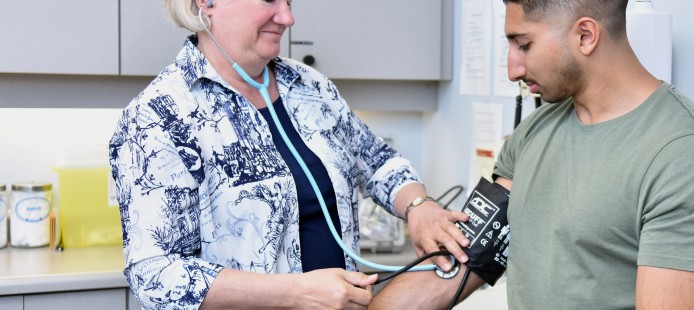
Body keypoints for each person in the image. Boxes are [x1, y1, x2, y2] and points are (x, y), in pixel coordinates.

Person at [371, 0, 694, 309]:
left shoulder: (689, 158)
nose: (512, 68)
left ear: (585, 35)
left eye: (524, 44)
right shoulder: (534, 131)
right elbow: (465, 263)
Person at [108, 0, 471, 309]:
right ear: (206, 2)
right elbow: (155, 274)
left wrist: (418, 206)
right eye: (269, 0)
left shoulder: (310, 86)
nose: (287, 18)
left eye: (290, 1)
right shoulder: (158, 115)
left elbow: (378, 161)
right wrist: (299, 293)